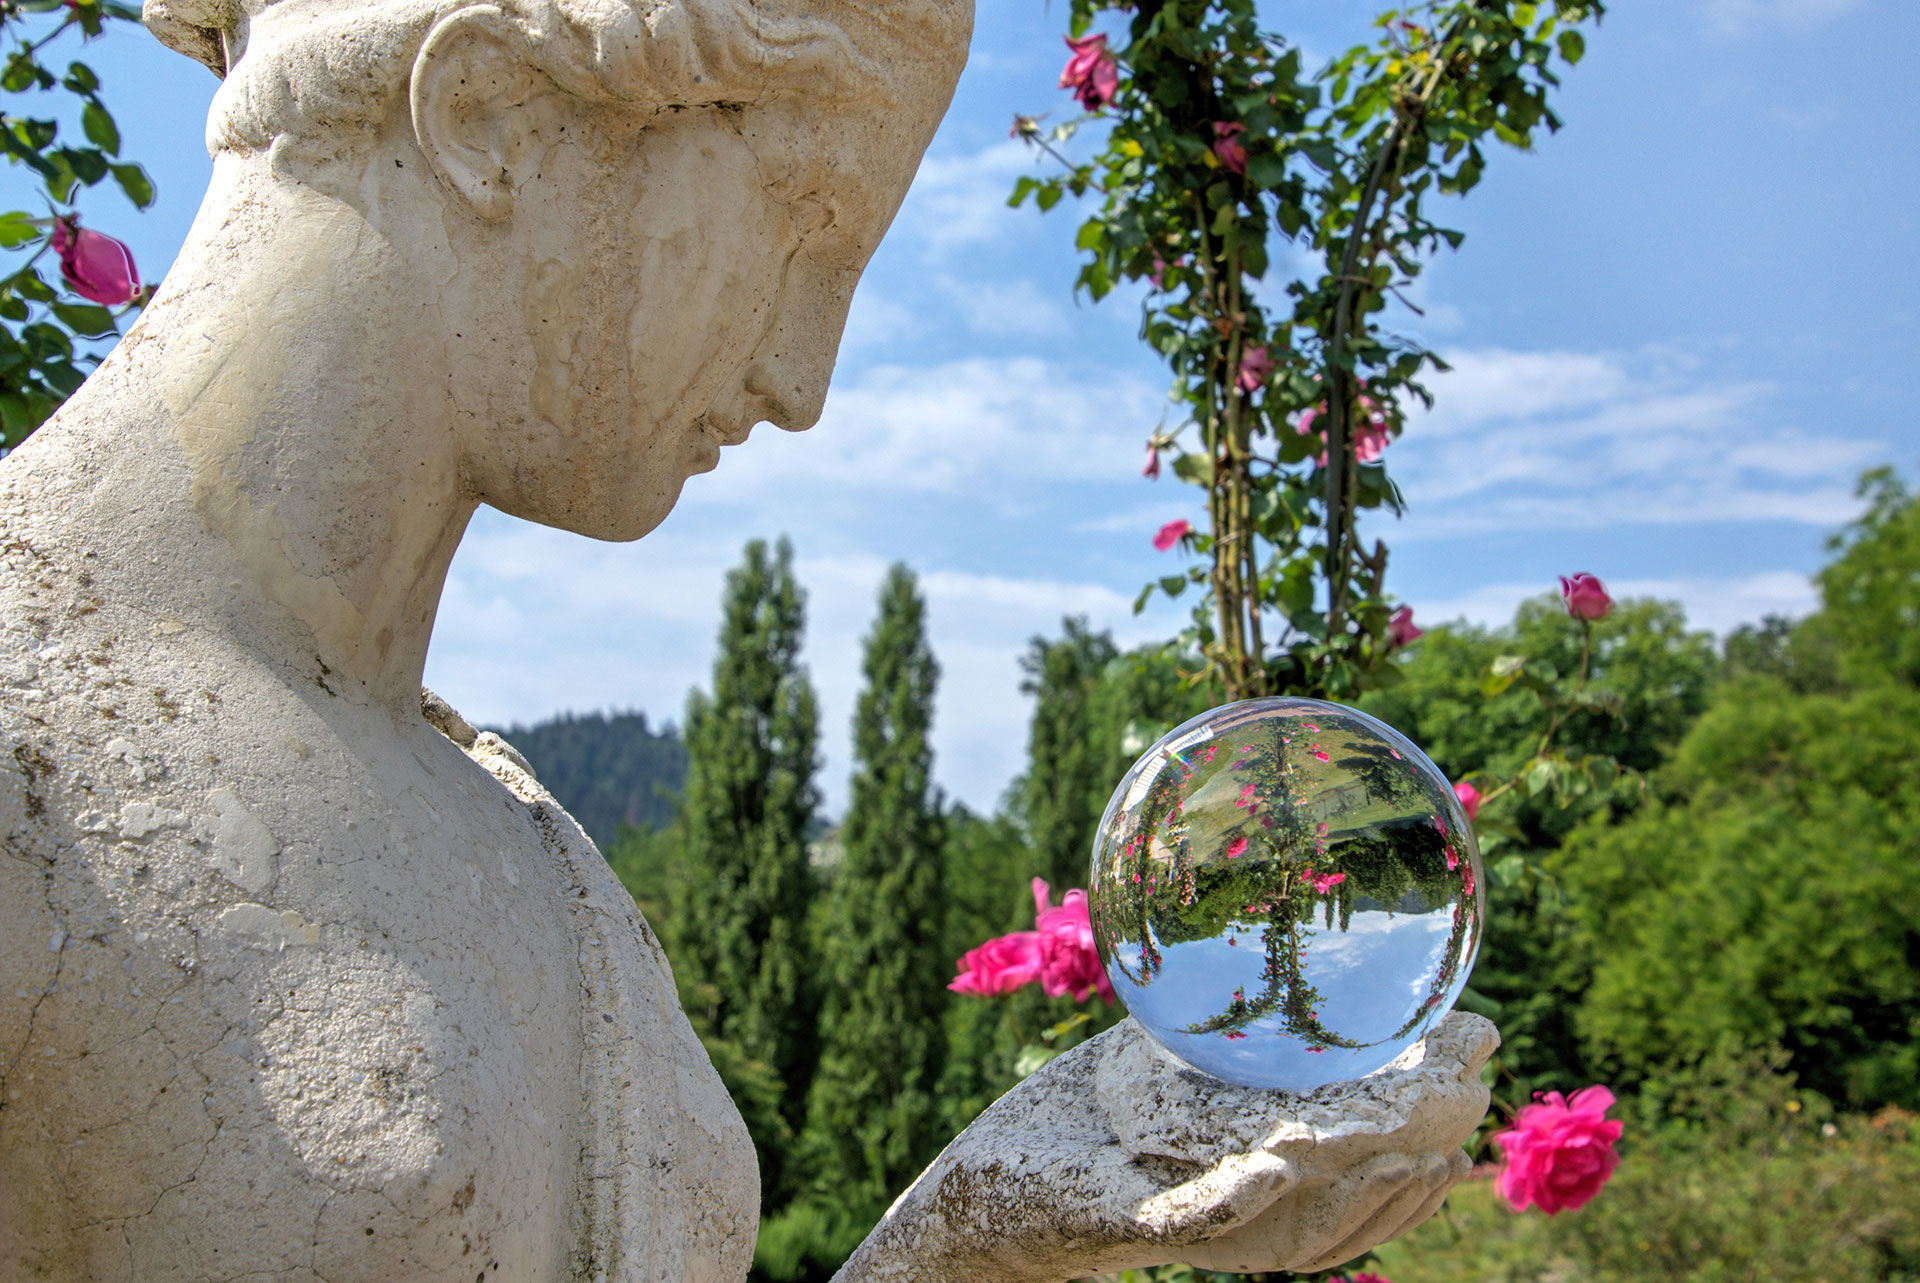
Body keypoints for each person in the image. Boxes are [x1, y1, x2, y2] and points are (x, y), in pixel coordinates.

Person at [0, 0, 1492, 1274]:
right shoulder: (34, 743)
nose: (803, 378)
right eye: (803, 227)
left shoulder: (535, 855)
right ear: (490, 111)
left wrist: (993, 1223)